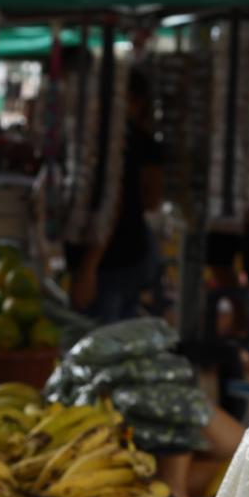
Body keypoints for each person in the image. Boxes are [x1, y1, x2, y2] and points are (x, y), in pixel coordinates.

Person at [70, 68, 166, 323]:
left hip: (112, 259)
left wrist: (89, 267)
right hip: (129, 252)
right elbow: (152, 200)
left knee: (102, 336)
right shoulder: (138, 142)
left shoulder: (109, 143)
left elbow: (115, 203)